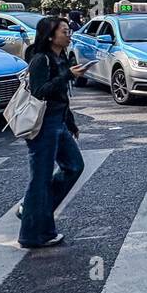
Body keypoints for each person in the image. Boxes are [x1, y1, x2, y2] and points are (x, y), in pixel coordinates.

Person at [17, 17, 90, 248]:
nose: (69, 35)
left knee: (74, 166)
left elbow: (62, 96)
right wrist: (69, 75)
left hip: (59, 121)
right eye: (65, 31)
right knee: (40, 178)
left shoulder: (63, 57)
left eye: (69, 31)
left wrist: (71, 122)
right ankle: (32, 235)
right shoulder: (40, 60)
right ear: (50, 36)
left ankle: (33, 210)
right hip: (43, 124)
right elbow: (40, 92)